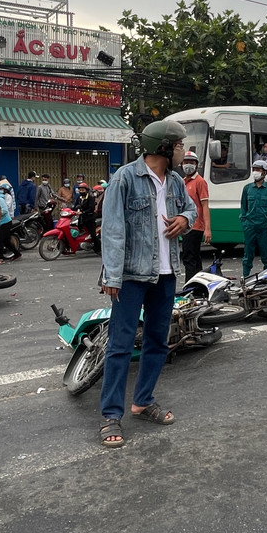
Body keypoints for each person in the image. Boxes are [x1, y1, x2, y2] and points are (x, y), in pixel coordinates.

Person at [96, 120, 196, 449]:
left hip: (166, 274)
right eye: (179, 145)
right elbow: (113, 229)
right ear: (163, 148)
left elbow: (191, 209)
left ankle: (143, 401)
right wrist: (112, 276)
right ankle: (111, 414)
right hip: (130, 276)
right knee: (121, 346)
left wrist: (184, 219)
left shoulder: (176, 181)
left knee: (157, 342)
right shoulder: (125, 178)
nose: (184, 151)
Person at [240, 159, 267, 276]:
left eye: (258, 170)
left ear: (265, 172)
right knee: (247, 256)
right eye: (254, 169)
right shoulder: (247, 188)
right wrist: (245, 223)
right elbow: (243, 207)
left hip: (264, 228)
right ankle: (245, 278)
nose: (255, 172)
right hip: (250, 227)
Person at [180, 150, 210, 276]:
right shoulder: (182, 182)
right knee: (195, 258)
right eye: (186, 162)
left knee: (189, 258)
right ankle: (197, 284)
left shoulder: (200, 181)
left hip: (195, 226)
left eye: (191, 162)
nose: (188, 165)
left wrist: (207, 229)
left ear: (196, 165)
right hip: (186, 225)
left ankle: (190, 285)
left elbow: (205, 206)